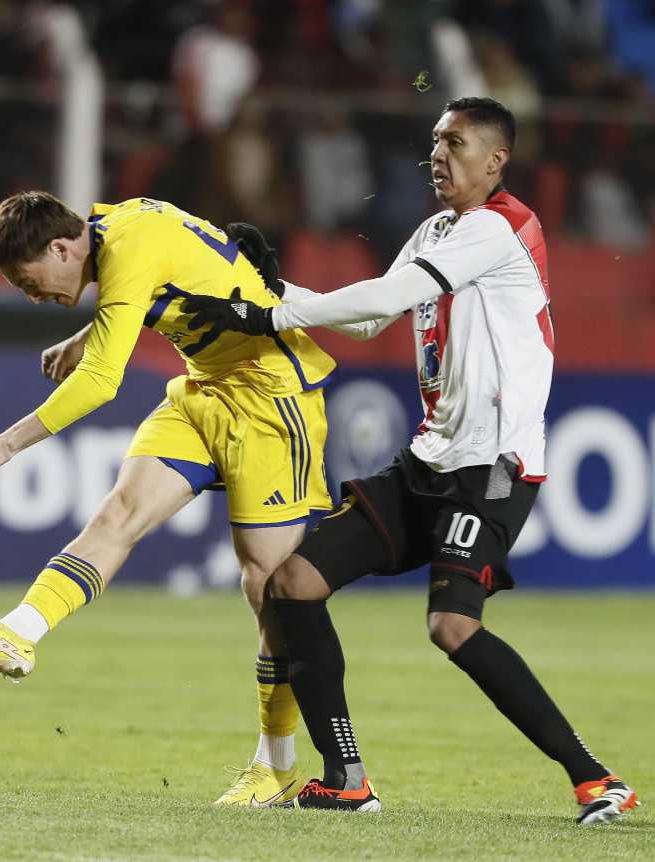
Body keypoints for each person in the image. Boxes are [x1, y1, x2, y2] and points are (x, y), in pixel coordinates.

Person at [180, 96, 638, 824]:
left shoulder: (502, 226)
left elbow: (393, 291)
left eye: (455, 143)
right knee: (292, 583)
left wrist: (269, 316)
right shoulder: (437, 230)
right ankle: (346, 778)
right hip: (427, 460)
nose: (437, 155)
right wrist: (273, 285)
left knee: (451, 626)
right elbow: (368, 319)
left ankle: (595, 778)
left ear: (496, 161)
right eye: (434, 141)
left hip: (491, 465)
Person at [0, 191, 379, 806]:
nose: (32, 298)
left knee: (268, 588)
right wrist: (92, 331)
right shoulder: (112, 223)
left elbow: (103, 382)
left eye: (30, 282)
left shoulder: (128, 238)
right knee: (118, 513)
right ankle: (15, 633)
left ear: (61, 248)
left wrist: (6, 444)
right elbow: (164, 279)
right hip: (204, 388)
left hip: (273, 398)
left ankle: (275, 763)